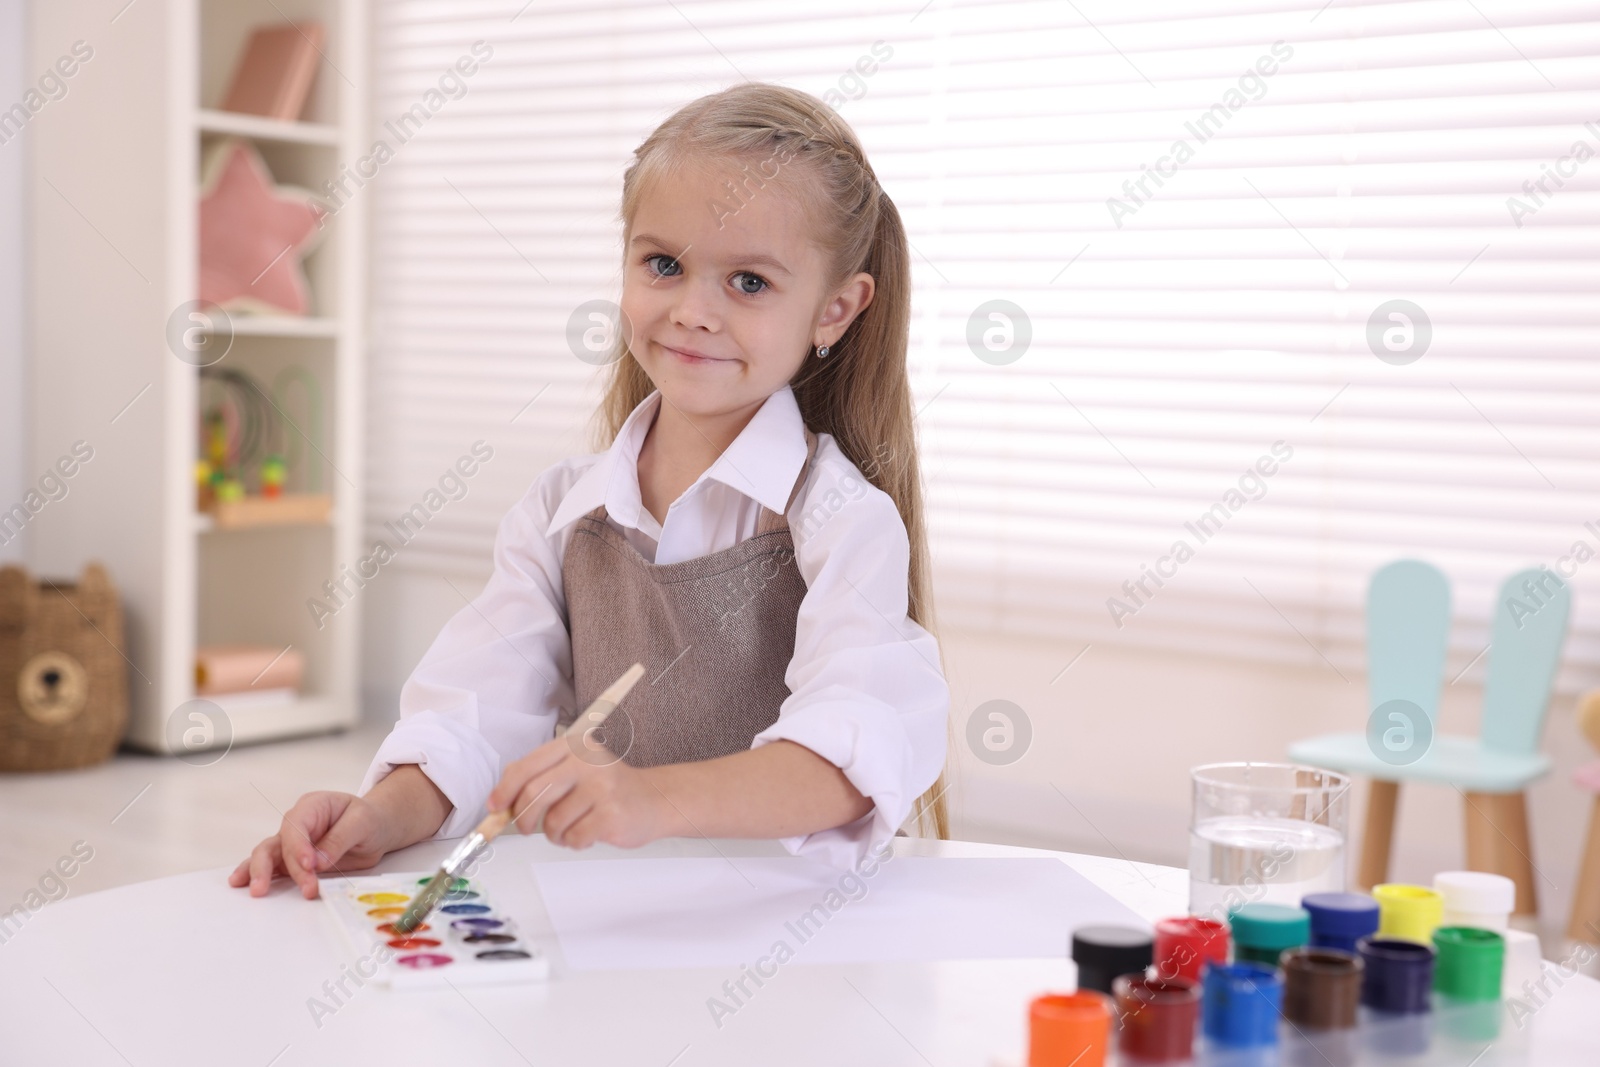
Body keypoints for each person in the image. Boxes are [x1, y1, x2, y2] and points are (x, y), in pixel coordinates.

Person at [230, 82, 950, 899]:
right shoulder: (557, 511)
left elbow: (854, 749)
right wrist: (382, 814)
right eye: (663, 264)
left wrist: (649, 797)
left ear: (836, 310)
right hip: (614, 921)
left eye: (749, 282)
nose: (692, 311)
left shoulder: (841, 519)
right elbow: (477, 711)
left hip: (777, 926)